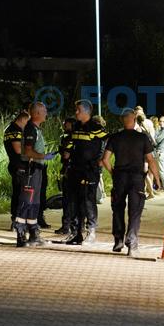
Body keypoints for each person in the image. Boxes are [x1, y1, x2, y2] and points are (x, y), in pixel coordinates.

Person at [101, 108, 162, 257]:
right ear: (134, 118)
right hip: (136, 178)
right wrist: (158, 180)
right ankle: (132, 242)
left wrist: (113, 172)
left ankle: (118, 240)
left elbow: (105, 159)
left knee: (118, 209)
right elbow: (151, 160)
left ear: (122, 119)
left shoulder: (115, 137)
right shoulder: (142, 138)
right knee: (135, 211)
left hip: (120, 177)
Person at [13, 102, 55, 247]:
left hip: (36, 170)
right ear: (36, 113)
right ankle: (20, 235)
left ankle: (33, 234)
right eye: (44, 111)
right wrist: (44, 156)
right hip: (30, 170)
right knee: (26, 202)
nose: (46, 113)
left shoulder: (36, 129)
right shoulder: (31, 129)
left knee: (34, 202)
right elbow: (29, 151)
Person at [65, 99, 107, 246]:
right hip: (75, 169)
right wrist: (67, 152)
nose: (76, 113)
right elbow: (71, 142)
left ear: (86, 112)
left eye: (78, 110)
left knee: (88, 201)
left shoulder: (95, 127)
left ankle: (91, 231)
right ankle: (76, 233)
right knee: (74, 201)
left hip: (90, 170)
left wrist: (103, 160)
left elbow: (108, 142)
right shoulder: (76, 126)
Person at [4, 111, 29, 229]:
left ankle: (16, 219)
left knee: (17, 193)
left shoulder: (8, 128)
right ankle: (17, 220)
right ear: (23, 120)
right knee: (20, 194)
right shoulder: (15, 130)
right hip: (19, 165)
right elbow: (18, 149)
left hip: (14, 164)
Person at [54, 116, 76, 234]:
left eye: (66, 124)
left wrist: (62, 150)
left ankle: (66, 226)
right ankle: (74, 225)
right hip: (73, 170)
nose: (64, 126)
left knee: (68, 200)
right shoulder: (77, 137)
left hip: (69, 170)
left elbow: (66, 155)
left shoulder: (69, 138)